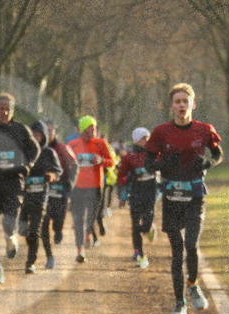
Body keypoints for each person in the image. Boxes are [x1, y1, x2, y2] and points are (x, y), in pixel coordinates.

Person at [145, 83, 222, 314]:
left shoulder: (204, 130)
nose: (181, 105)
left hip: (195, 195)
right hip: (171, 197)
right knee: (177, 251)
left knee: (191, 244)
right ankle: (179, 303)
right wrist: (163, 164)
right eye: (177, 102)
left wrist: (208, 163)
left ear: (192, 105)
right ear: (171, 106)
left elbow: (218, 154)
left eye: (185, 101)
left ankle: (193, 285)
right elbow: (149, 163)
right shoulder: (161, 132)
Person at [0, 93, 40, 283]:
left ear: (13, 111)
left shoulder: (21, 130)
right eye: (1, 108)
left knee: (9, 219)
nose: (4, 112)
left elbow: (35, 149)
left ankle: (11, 236)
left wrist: (28, 165)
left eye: (8, 108)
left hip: (13, 181)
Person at [17, 121, 62, 274]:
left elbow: (57, 171)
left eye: (39, 134)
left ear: (44, 136)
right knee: (23, 231)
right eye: (33, 134)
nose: (36, 137)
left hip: (41, 198)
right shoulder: (23, 151)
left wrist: (52, 176)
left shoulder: (48, 153)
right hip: (23, 197)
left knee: (36, 231)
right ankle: (42, 255)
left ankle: (31, 262)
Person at [68, 115, 114, 263]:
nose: (92, 131)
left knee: (91, 218)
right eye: (89, 128)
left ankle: (89, 233)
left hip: (96, 186)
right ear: (82, 129)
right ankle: (80, 250)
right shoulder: (73, 144)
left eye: (94, 128)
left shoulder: (101, 143)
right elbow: (66, 163)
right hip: (78, 186)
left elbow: (111, 162)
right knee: (79, 219)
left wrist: (101, 160)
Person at [116, 127, 159, 269]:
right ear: (136, 140)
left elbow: (164, 166)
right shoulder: (129, 157)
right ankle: (139, 252)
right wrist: (124, 180)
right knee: (135, 224)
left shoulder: (154, 154)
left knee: (146, 222)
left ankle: (148, 228)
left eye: (148, 138)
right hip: (136, 192)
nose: (146, 141)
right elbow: (121, 176)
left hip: (151, 190)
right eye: (143, 138)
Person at [40, 120, 77, 269]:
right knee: (44, 223)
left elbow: (74, 166)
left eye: (51, 130)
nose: (48, 133)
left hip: (61, 191)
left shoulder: (63, 148)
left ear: (55, 132)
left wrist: (70, 183)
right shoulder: (38, 148)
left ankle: (59, 230)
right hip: (43, 192)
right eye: (45, 130)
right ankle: (49, 256)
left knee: (58, 219)